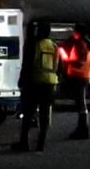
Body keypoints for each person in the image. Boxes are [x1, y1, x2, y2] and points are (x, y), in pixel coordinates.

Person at [12, 24, 59, 153]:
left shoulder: (36, 45)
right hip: (50, 83)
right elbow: (58, 65)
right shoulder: (55, 46)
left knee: (28, 113)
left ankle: (24, 143)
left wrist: (22, 80)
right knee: (45, 115)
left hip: (35, 82)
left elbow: (28, 63)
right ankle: (41, 144)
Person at [63, 27, 90, 140]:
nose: (73, 34)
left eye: (75, 32)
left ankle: (82, 129)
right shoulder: (86, 43)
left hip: (79, 77)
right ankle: (82, 128)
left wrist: (66, 59)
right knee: (81, 104)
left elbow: (80, 62)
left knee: (81, 104)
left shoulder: (81, 44)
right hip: (84, 76)